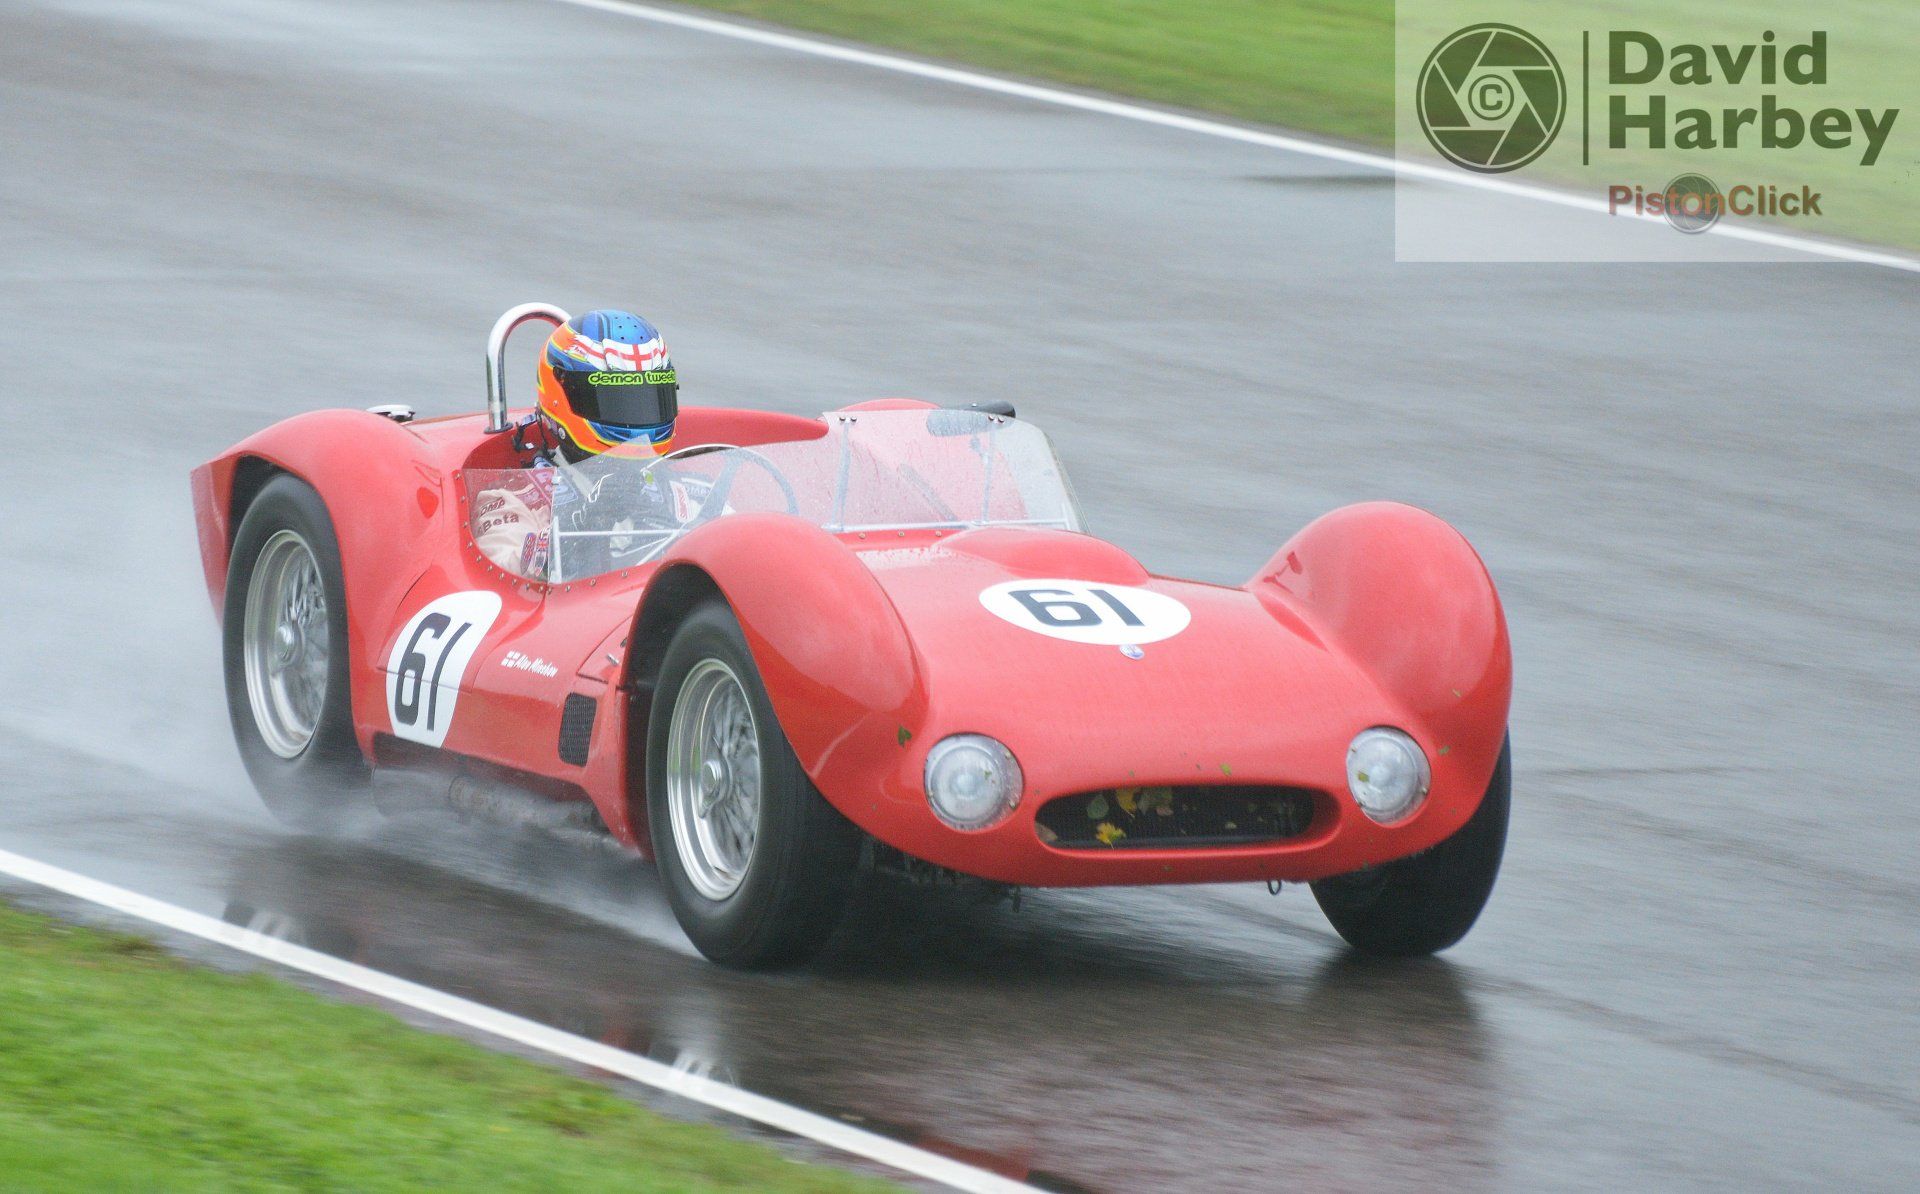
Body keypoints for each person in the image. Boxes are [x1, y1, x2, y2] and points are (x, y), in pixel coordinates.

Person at [476, 310, 708, 579]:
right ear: (561, 398)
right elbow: (500, 576)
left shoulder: (684, 495)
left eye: (646, 401)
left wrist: (692, 535)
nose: (634, 422)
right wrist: (584, 526)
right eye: (616, 403)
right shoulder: (517, 500)